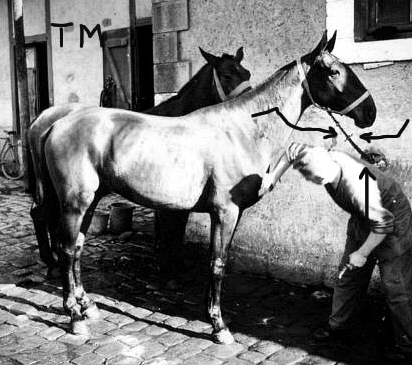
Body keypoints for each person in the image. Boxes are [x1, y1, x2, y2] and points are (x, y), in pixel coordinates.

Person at [260, 143, 412, 361]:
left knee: (396, 287)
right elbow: (291, 150)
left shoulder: (358, 185)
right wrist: (273, 177)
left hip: (393, 218)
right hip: (363, 216)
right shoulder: (319, 155)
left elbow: (384, 223)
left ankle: (407, 344)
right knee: (348, 276)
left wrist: (362, 253)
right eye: (311, 177)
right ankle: (338, 327)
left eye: (318, 179)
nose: (314, 182)